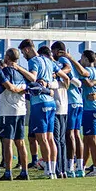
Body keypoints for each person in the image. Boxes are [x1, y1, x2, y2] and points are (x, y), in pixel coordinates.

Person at [14, 39, 61, 179]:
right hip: (51, 102)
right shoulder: (47, 60)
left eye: (23, 52)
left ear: (27, 49)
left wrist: (18, 68)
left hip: (39, 103)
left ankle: (48, 170)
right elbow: (62, 76)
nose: (23, 55)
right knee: (50, 138)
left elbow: (33, 77)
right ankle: (53, 169)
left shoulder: (33, 61)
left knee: (42, 139)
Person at [62, 50, 96, 177]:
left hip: (90, 109)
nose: (80, 61)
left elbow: (86, 80)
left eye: (82, 58)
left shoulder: (90, 71)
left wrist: (70, 58)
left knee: (92, 140)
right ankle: (95, 167)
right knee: (94, 139)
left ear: (87, 59)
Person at [51, 41, 84, 178]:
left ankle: (69, 167)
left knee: (69, 135)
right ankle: (80, 167)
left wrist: (57, 73)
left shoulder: (62, 60)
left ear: (58, 51)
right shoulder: (70, 60)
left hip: (69, 102)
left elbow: (70, 75)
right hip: (78, 101)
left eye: (53, 52)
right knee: (76, 134)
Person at [0, 48, 29, 181]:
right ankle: (24, 171)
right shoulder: (21, 72)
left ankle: (8, 172)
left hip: (8, 111)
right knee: (21, 142)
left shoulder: (5, 71)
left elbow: (6, 87)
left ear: (7, 58)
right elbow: (28, 88)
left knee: (7, 142)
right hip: (21, 110)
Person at [40, 46, 69, 179]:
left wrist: (50, 82)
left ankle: (57, 168)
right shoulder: (58, 66)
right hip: (61, 106)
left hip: (57, 107)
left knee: (55, 139)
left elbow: (69, 79)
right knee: (60, 140)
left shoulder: (54, 66)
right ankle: (62, 169)